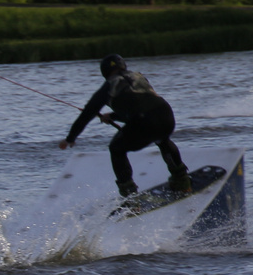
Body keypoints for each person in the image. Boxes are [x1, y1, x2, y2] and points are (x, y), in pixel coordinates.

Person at [59, 54, 191, 198]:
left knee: (116, 148)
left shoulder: (109, 85)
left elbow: (88, 113)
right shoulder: (139, 77)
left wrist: (70, 138)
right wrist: (113, 116)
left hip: (144, 121)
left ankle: (131, 198)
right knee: (162, 138)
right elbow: (141, 105)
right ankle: (182, 181)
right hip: (166, 115)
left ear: (104, 72)